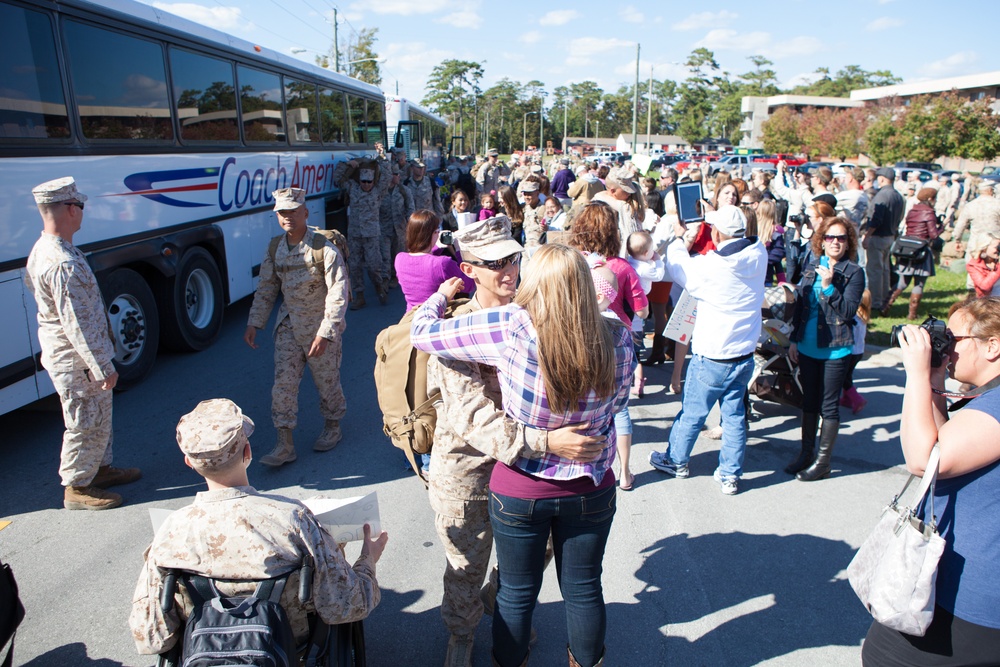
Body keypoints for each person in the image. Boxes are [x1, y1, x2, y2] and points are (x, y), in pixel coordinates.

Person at [411, 243, 635, 667]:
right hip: (591, 484)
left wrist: (439, 296)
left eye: (513, 262)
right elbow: (620, 402)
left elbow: (422, 334)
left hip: (523, 484)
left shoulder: (514, 325)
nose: (508, 271)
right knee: (585, 589)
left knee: (515, 593)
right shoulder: (618, 336)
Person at [128, 398, 387, 657]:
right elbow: (348, 604)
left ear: (189, 463)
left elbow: (151, 636)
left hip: (205, 649)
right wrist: (368, 559)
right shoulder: (293, 519)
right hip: (288, 647)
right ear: (248, 452)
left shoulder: (170, 532)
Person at [861, 297, 1000, 666]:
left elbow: (925, 459)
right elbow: (945, 443)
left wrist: (917, 375)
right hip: (957, 584)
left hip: (973, 598)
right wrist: (936, 379)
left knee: (882, 657)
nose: (945, 349)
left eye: (952, 340)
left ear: (992, 345)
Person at [25, 177, 140, 510]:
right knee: (82, 422)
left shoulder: (49, 248)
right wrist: (101, 364)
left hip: (75, 355)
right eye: (80, 206)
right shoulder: (61, 261)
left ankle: (99, 470)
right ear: (71, 210)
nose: (82, 213)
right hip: (76, 359)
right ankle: (77, 487)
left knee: (98, 416)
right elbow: (76, 323)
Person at [648, 205, 767, 495]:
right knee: (735, 417)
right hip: (743, 355)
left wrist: (678, 238)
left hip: (712, 355)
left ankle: (676, 461)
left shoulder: (712, 266)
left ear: (719, 232)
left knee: (692, 414)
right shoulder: (758, 253)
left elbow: (678, 268)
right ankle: (729, 475)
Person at [244, 188, 350, 466]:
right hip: (289, 326)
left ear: (305, 212)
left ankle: (332, 425)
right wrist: (255, 321)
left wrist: (327, 332)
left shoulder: (323, 248)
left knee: (327, 382)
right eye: (282, 212)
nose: (287, 217)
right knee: (283, 385)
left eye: (293, 211)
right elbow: (267, 286)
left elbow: (338, 293)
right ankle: (284, 443)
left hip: (320, 328)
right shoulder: (274, 247)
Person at [786, 217, 865, 482]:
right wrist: (795, 340)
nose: (835, 242)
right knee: (808, 401)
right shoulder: (812, 266)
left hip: (835, 349)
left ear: (848, 242)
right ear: (821, 240)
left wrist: (830, 286)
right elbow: (801, 307)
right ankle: (806, 454)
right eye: (830, 237)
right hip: (807, 347)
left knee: (828, 406)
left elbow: (848, 311)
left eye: (841, 238)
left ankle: (823, 463)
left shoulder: (854, 272)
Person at [333, 151, 392, 308]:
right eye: (363, 181)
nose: (366, 184)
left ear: (373, 181)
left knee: (374, 265)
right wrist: (347, 164)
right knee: (355, 265)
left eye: (369, 182)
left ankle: (379, 286)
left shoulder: (378, 192)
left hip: (372, 235)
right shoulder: (353, 188)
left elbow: (387, 175)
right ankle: (359, 296)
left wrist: (383, 158)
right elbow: (338, 178)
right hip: (355, 234)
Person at [394, 210, 475, 312]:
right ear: (432, 233)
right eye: (437, 230)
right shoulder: (443, 263)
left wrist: (438, 247)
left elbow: (421, 262)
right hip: (439, 315)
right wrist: (460, 251)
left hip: (411, 316)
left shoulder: (399, 259)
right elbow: (468, 285)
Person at [882, 187, 939, 319]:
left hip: (906, 249)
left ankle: (886, 306)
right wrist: (941, 227)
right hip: (921, 251)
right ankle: (912, 314)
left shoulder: (912, 210)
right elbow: (933, 235)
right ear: (930, 199)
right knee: (919, 283)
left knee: (902, 282)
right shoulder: (929, 213)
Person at [862, 167, 905, 314]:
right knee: (885, 270)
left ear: (881, 179)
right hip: (890, 236)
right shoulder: (898, 196)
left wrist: (867, 236)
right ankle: (884, 298)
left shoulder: (881, 196)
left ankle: (875, 302)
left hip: (878, 237)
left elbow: (876, 219)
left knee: (875, 270)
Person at [379, 165, 415, 289]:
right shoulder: (380, 191)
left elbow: (410, 208)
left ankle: (396, 277)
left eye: (399, 174)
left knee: (398, 255)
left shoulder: (404, 191)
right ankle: (385, 280)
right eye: (395, 174)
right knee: (385, 255)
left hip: (400, 229)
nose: (398, 177)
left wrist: (411, 226)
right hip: (384, 229)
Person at [840, 289, 871, 414]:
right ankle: (847, 399)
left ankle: (857, 399)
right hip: (859, 352)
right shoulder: (863, 316)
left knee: (842, 377)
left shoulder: (853, 317)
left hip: (850, 351)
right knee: (848, 374)